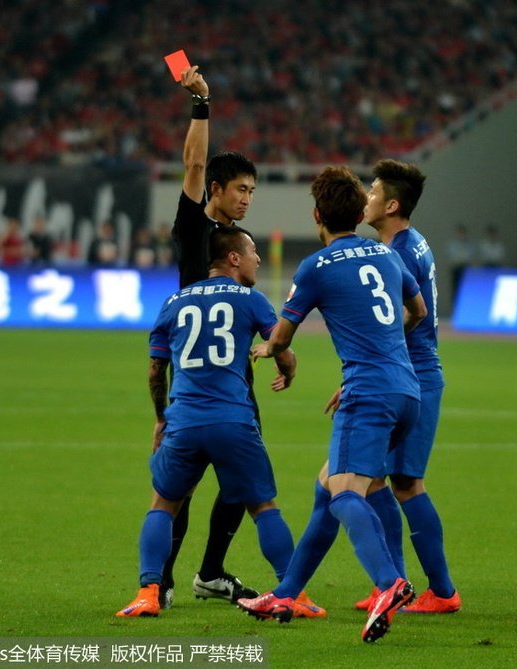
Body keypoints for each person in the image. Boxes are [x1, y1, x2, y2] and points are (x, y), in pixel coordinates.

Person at [237, 166, 427, 643]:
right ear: (360, 215)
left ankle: (389, 583)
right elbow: (418, 311)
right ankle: (286, 593)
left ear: (317, 215)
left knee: (344, 492)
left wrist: (268, 349)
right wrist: (384, 351)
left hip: (368, 393)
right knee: (331, 487)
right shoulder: (386, 255)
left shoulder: (316, 266)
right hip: (407, 391)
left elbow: (282, 336)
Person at [115, 226, 299, 618]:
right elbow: (282, 349)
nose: (257, 259)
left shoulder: (174, 301)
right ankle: (292, 594)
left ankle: (148, 593)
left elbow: (155, 371)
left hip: (183, 422)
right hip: (233, 421)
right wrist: (287, 370)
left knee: (163, 505)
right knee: (263, 507)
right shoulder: (251, 300)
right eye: (252, 252)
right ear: (233, 258)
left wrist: (161, 419)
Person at [158, 64, 261, 611]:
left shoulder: (240, 243)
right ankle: (162, 580)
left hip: (237, 379)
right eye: (240, 189)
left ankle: (211, 573)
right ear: (216, 189)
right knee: (181, 486)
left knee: (241, 481)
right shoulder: (194, 227)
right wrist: (202, 104)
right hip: (196, 379)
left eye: (252, 191)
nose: (246, 198)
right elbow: (194, 163)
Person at [344, 159, 460, 614]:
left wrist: (372, 365)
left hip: (414, 374)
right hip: (404, 374)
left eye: (373, 192)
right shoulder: (409, 243)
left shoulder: (398, 253)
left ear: (391, 205)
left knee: (407, 483)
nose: (366, 198)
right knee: (375, 478)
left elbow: (408, 319)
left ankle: (443, 592)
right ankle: (393, 584)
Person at [445, 223, 473, 307]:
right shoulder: (452, 245)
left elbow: (468, 256)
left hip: (465, 269)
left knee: (466, 289)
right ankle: (455, 307)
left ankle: (466, 307)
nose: (461, 235)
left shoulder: (468, 245)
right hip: (456, 269)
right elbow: (452, 257)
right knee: (455, 290)